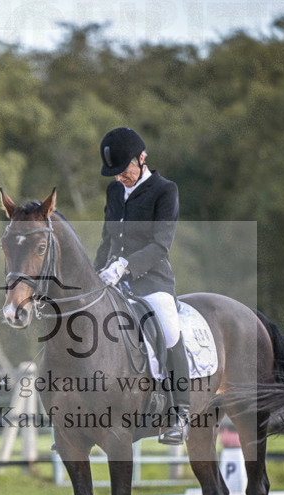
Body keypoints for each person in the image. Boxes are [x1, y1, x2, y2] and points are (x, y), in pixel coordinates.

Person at [93, 127, 190, 445]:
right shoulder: (113, 191)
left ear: (142, 158)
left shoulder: (166, 190)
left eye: (124, 170)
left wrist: (125, 266)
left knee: (169, 326)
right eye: (115, 173)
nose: (120, 177)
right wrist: (95, 274)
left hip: (152, 281)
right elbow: (108, 239)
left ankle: (180, 413)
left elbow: (161, 245)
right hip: (115, 283)